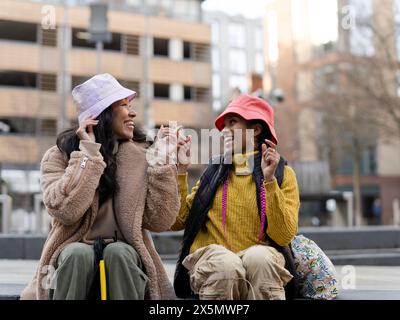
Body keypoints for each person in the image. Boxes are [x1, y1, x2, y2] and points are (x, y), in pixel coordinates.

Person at [20, 73, 180, 300]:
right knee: (77, 253)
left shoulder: (143, 153)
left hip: (126, 256)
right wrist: (88, 156)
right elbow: (64, 210)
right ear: (100, 116)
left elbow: (160, 221)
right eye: (124, 106)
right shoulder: (59, 156)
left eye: (130, 105)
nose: (133, 112)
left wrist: (162, 163)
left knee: (119, 252)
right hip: (70, 257)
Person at [172, 94, 300, 300]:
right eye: (223, 125)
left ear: (256, 130)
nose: (224, 131)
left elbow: (283, 236)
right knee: (225, 264)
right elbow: (177, 221)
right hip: (214, 262)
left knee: (259, 258)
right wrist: (180, 172)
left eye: (232, 122)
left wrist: (269, 182)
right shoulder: (213, 171)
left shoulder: (283, 174)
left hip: (260, 262)